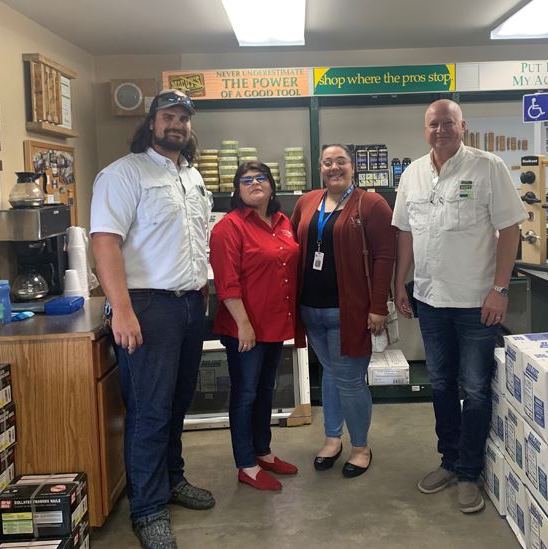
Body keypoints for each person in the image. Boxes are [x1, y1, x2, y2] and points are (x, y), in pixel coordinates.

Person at [91, 89, 214, 549]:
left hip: (189, 306)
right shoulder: (123, 174)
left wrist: (202, 288)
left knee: (178, 402)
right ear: (151, 122)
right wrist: (121, 309)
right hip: (147, 307)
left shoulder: (191, 176)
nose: (176, 124)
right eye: (168, 116)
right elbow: (105, 242)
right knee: (149, 410)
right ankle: (147, 509)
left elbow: (194, 239)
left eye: (183, 117)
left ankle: (172, 479)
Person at [391, 99, 527, 513]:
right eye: (433, 124)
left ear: (462, 126)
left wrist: (499, 289)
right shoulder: (413, 174)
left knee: (476, 388)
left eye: (447, 123)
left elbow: (510, 229)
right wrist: (399, 283)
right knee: (441, 384)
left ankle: (470, 472)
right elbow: (405, 233)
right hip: (430, 300)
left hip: (475, 302)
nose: (440, 130)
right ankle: (449, 461)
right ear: (425, 129)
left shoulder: (488, 167)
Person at [291, 144, 396, 479]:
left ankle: (361, 447)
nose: (334, 167)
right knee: (330, 374)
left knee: (349, 380)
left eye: (341, 161)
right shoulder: (307, 202)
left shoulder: (371, 204)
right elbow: (292, 245)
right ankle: (332, 439)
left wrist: (377, 306)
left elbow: (385, 257)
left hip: (349, 310)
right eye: (327, 162)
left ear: (353, 166)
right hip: (311, 309)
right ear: (320, 168)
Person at [209, 162, 301, 491]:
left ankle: (263, 451)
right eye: (245, 180)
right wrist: (244, 325)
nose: (254, 183)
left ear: (272, 186)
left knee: (265, 391)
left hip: (274, 323)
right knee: (245, 394)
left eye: (261, 178)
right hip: (244, 328)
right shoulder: (228, 227)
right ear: (237, 190)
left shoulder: (282, 222)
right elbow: (227, 283)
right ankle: (246, 464)